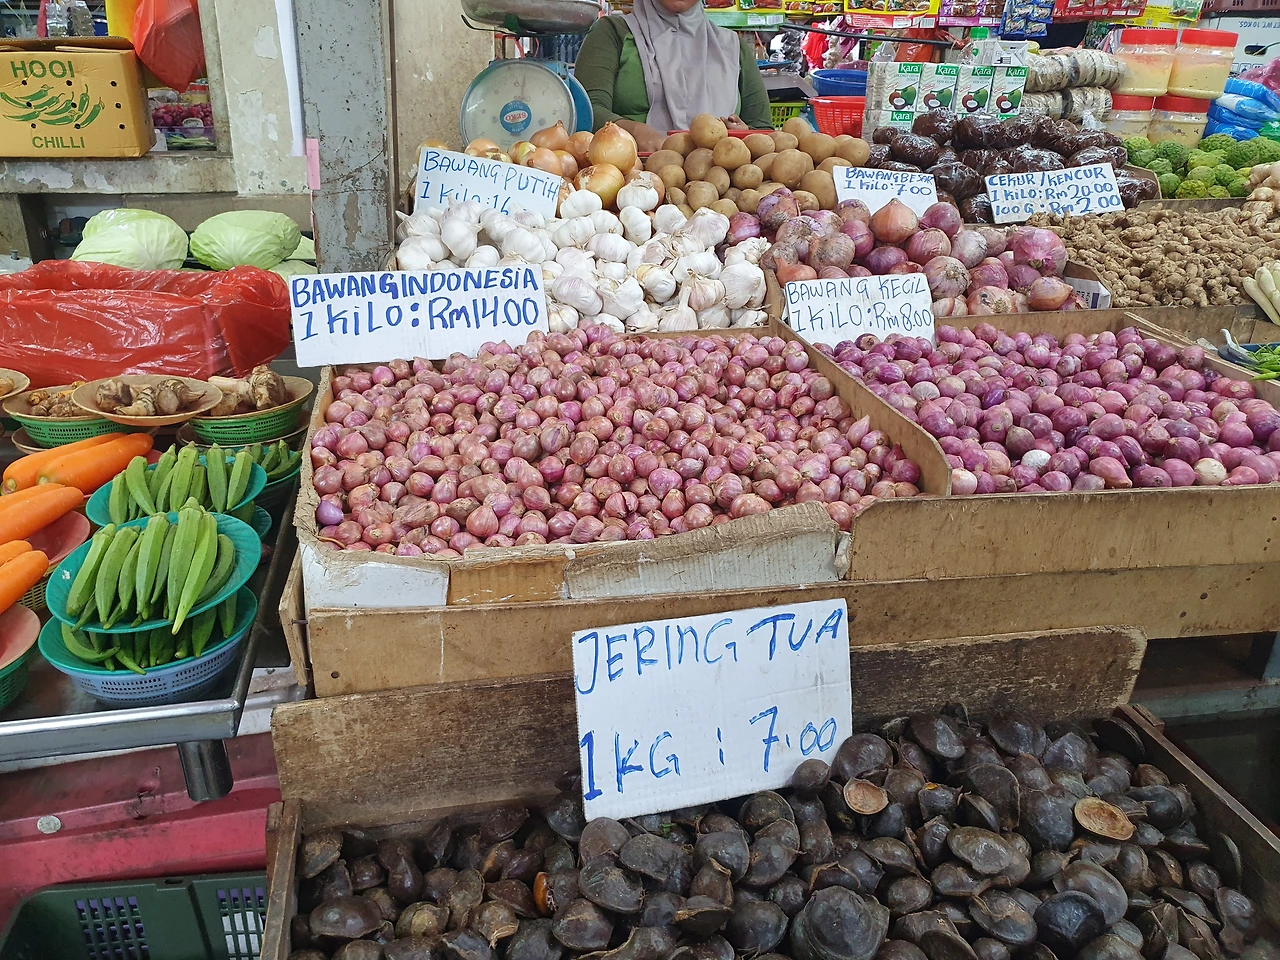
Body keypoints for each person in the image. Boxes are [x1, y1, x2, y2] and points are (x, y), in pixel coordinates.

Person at [573, 0, 773, 152]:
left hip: (721, 184)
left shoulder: (733, 47)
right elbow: (586, 111)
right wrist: (632, 131)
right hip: (633, 180)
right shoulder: (612, 33)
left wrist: (744, 134)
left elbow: (764, 130)